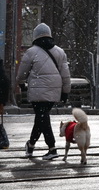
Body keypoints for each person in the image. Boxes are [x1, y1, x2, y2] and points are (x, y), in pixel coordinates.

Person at [17, 23, 71, 160]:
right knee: (41, 118)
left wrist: (21, 83)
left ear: (35, 36)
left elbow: (22, 72)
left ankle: (52, 148)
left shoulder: (31, 52)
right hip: (54, 91)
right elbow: (65, 74)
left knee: (42, 118)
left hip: (37, 90)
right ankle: (30, 145)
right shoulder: (60, 52)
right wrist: (65, 92)